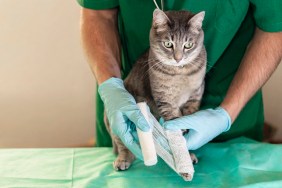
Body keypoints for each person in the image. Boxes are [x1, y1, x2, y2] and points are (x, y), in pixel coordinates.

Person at [77, 0, 282, 159]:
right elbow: (97, 13)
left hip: (230, 105)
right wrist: (111, 86)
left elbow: (275, 27)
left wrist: (225, 114)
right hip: (134, 97)